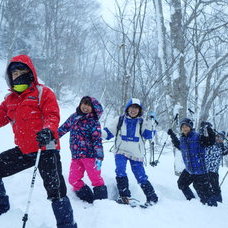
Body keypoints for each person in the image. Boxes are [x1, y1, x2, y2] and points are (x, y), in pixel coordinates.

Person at [0, 55, 77, 227]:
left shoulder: (43, 93)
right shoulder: (9, 100)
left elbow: (52, 114)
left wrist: (48, 130)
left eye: (21, 71)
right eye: (13, 73)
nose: (17, 75)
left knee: (56, 189)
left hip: (46, 148)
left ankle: (67, 224)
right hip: (24, 150)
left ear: (30, 72)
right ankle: (3, 211)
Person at [102, 98, 158, 206]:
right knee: (120, 171)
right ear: (127, 108)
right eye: (132, 108)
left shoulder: (142, 122)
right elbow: (108, 132)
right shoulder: (120, 120)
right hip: (121, 151)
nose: (134, 110)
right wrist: (97, 133)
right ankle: (124, 196)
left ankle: (152, 198)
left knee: (140, 175)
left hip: (136, 154)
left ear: (139, 111)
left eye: (136, 108)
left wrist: (152, 123)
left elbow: (148, 135)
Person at [58, 96, 107, 204]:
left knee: (96, 179)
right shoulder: (74, 117)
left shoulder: (93, 122)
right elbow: (63, 128)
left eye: (89, 105)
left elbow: (97, 141)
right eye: (84, 103)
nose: (86, 107)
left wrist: (99, 157)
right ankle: (88, 198)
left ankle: (103, 203)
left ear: (93, 108)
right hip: (76, 156)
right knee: (73, 179)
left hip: (90, 156)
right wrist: (52, 137)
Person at [167, 118, 217, 206]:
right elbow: (178, 145)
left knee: (204, 194)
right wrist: (172, 135)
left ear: (190, 127)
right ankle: (192, 202)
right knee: (181, 184)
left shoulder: (198, 137)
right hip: (189, 170)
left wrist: (208, 128)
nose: (184, 128)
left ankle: (212, 208)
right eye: (183, 127)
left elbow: (210, 141)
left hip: (200, 171)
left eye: (186, 126)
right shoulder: (182, 139)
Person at [205, 131, 227, 203]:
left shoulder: (222, 148)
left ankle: (219, 201)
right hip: (204, 170)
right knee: (205, 186)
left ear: (223, 139)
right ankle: (208, 198)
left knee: (215, 187)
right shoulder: (209, 144)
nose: (218, 138)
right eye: (217, 136)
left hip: (214, 172)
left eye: (220, 137)